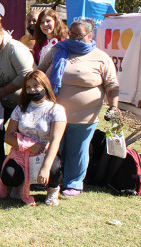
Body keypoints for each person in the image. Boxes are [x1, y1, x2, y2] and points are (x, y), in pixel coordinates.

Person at [38, 19, 119, 197]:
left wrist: (113, 107)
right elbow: (41, 71)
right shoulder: (58, 49)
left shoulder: (102, 58)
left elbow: (112, 86)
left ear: (90, 35)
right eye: (71, 34)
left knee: (78, 149)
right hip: (54, 113)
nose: (73, 38)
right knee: (52, 146)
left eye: (79, 35)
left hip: (84, 117)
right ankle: (47, 179)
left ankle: (73, 183)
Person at [0, 70, 66, 206]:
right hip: (21, 153)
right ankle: (19, 184)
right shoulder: (20, 108)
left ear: (45, 86)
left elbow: (55, 141)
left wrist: (46, 167)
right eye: (28, 87)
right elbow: (8, 136)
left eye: (36, 85)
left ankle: (52, 189)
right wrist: (30, 146)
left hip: (44, 152)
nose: (32, 90)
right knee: (9, 175)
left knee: (53, 169)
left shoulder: (56, 110)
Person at [0, 21, 34, 168]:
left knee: (22, 131)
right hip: (0, 99)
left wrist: (4, 90)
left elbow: (26, 74)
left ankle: (24, 161)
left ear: (2, 33)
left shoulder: (14, 49)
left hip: (23, 98)